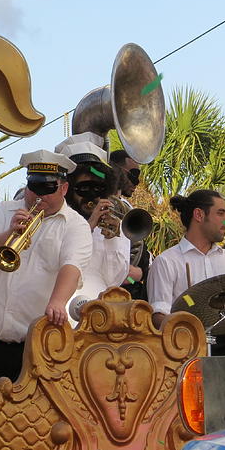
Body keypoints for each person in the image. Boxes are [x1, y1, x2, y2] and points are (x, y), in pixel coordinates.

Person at [0, 149, 92, 388]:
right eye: (33, 187)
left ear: (63, 188)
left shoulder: (75, 225)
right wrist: (8, 234)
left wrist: (57, 302)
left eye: (47, 189)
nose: (38, 196)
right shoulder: (3, 211)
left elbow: (72, 266)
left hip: (33, 349)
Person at [147, 190, 225, 350]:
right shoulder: (166, 261)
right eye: (221, 213)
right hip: (187, 349)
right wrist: (187, 330)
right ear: (199, 215)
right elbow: (158, 316)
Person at [55, 134, 129, 318]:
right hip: (59, 311)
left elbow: (115, 279)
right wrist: (87, 227)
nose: (91, 197)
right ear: (69, 190)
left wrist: (112, 240)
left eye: (97, 189)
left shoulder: (113, 221)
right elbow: (51, 261)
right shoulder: (54, 218)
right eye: (83, 189)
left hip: (100, 314)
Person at [109, 149, 148, 299]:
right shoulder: (95, 205)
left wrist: (140, 273)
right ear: (116, 170)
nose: (137, 181)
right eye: (133, 174)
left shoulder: (128, 209)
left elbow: (142, 260)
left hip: (126, 290)